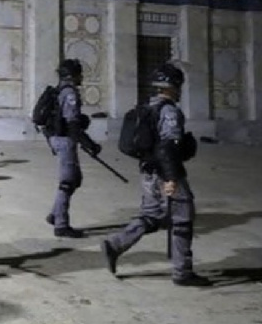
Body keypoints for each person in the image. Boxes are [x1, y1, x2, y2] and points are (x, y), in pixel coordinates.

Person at [101, 63, 211, 287]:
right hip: (165, 172)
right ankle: (182, 272)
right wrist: (171, 179)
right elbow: (167, 147)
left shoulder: (147, 106)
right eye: (178, 86)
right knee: (183, 217)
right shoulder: (169, 111)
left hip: (148, 171)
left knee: (151, 214)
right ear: (172, 87)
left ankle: (115, 244)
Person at [44, 58, 100, 238]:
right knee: (67, 181)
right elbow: (73, 124)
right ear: (72, 75)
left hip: (57, 138)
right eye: (79, 73)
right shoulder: (69, 93)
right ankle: (61, 225)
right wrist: (90, 144)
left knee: (75, 178)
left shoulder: (59, 90)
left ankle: (55, 214)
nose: (81, 76)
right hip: (64, 140)